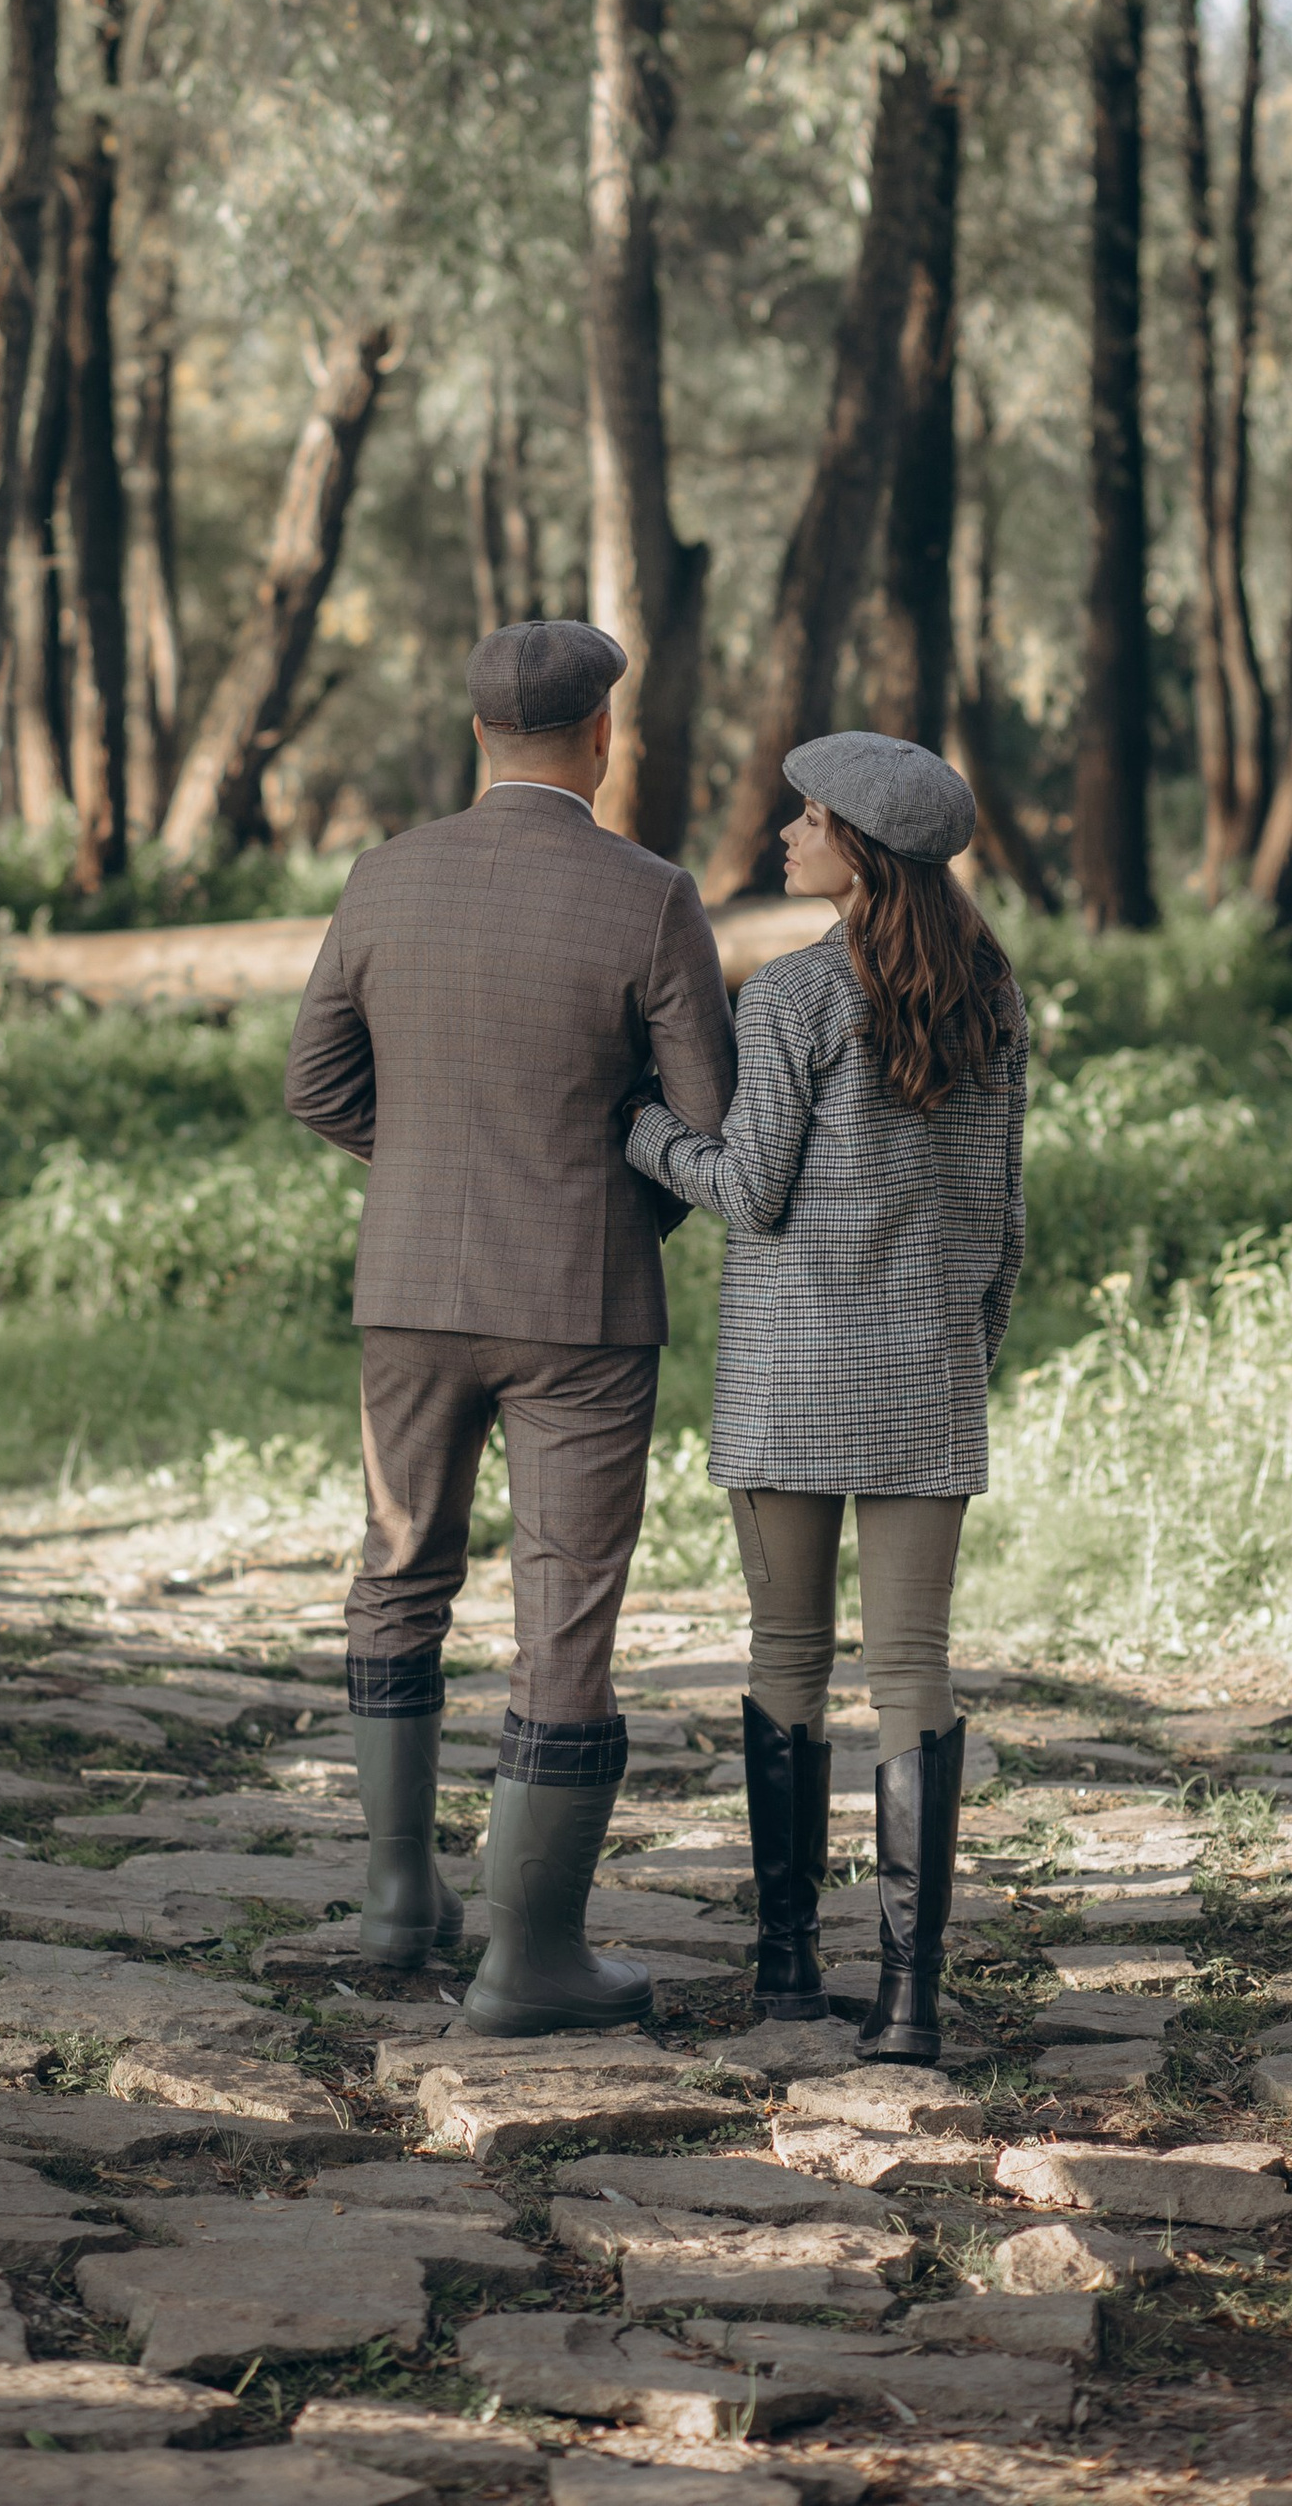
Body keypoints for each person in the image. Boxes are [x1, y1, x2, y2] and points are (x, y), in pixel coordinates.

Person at [283, 619, 736, 2035]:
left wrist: (432, 1167)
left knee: (399, 1566)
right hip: (581, 1304)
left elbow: (316, 1085)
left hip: (409, 1291)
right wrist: (595, 1197)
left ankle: (395, 1900)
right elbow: (705, 1123)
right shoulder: (649, 896)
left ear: (478, 735)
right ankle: (529, 1958)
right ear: (601, 736)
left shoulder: (384, 876)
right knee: (564, 1610)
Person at [624, 730, 1027, 2064]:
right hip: (927, 1372)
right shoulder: (993, 995)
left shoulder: (794, 996)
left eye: (809, 818)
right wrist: (965, 1354)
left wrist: (643, 1128)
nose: (787, 833)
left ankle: (787, 1966)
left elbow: (749, 1188)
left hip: (790, 1375)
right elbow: (1004, 1221)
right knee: (913, 1669)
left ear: (863, 848)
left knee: (787, 1655)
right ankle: (910, 2002)